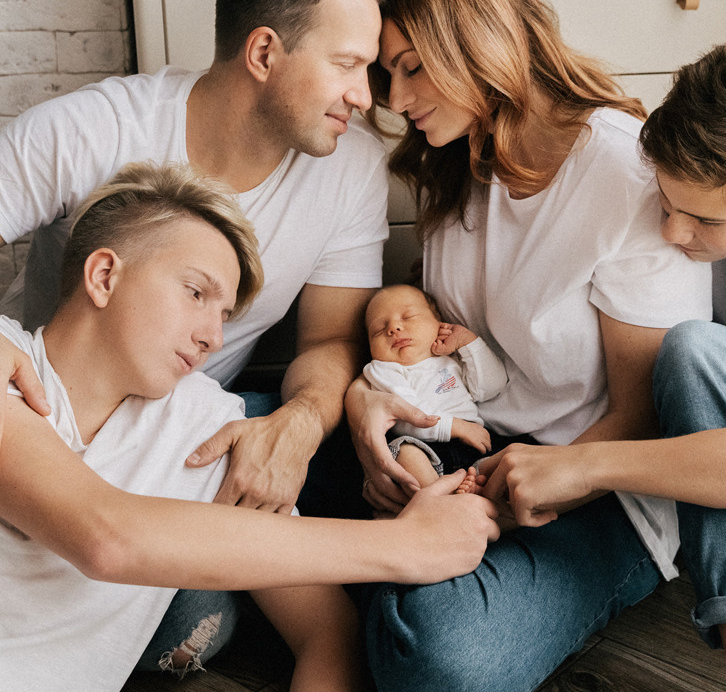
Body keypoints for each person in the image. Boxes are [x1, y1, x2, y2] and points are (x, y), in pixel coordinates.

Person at [0, 0, 393, 668]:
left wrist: (298, 425)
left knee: (200, 607)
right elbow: (103, 536)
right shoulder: (90, 128)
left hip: (186, 435)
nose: (364, 96)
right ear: (265, 52)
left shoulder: (352, 168)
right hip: (37, 409)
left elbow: (330, 342)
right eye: (348, 64)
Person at [344, 0, 712, 691]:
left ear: (478, 40)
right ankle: (365, 574)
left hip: (596, 489)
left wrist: (488, 504)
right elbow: (438, 332)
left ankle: (338, 582)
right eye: (387, 73)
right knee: (235, 441)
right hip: (462, 441)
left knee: (442, 655)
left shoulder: (623, 173)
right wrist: (371, 402)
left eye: (412, 66)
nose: (392, 96)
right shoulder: (454, 161)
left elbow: (645, 416)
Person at [0, 161, 500, 692]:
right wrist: (408, 545)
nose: (214, 338)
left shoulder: (208, 425)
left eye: (225, 314)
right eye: (196, 293)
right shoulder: (6, 364)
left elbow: (328, 632)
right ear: (105, 276)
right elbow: (105, 537)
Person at [475, 40, 726, 692]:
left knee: (697, 350)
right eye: (667, 202)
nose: (675, 233)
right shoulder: (682, 223)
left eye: (704, 219)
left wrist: (585, 463)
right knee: (696, 352)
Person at [363, 284, 507, 488]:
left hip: (475, 442)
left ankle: (476, 490)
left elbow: (492, 387)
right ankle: (440, 499)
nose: (393, 328)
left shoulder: (453, 357)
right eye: (379, 329)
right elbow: (407, 415)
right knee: (406, 454)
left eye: (408, 317)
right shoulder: (383, 370)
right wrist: (455, 426)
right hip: (426, 449)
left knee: (514, 455)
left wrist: (467, 343)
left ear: (437, 321)